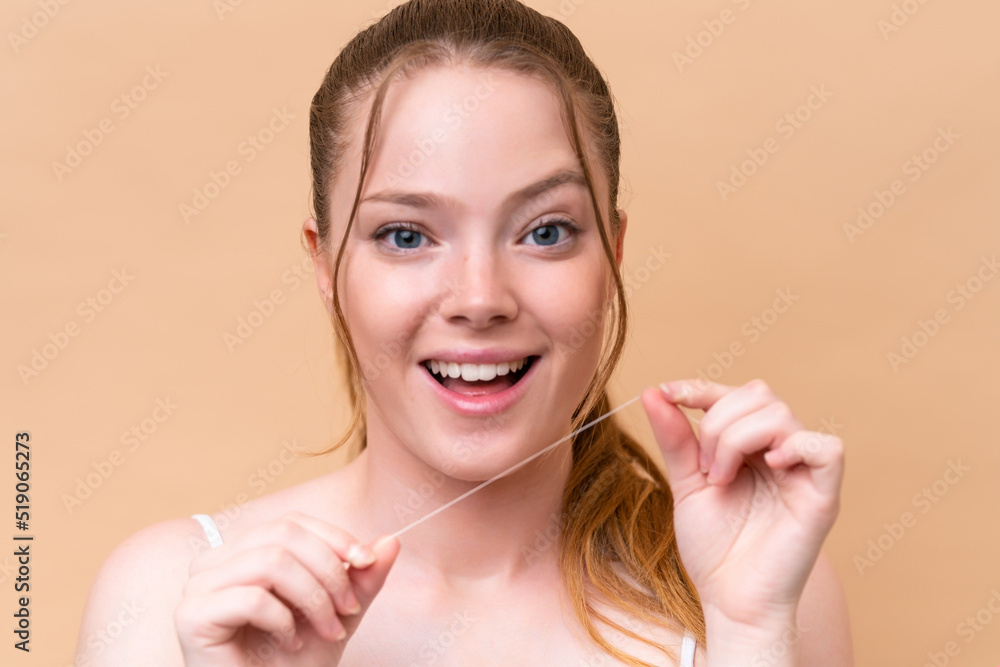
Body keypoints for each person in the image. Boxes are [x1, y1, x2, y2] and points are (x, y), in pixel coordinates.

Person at [76, 0, 852, 664]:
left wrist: (752, 635)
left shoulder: (760, 584)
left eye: (545, 232)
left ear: (611, 253)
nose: (480, 299)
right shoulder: (169, 596)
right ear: (325, 264)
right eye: (407, 235)